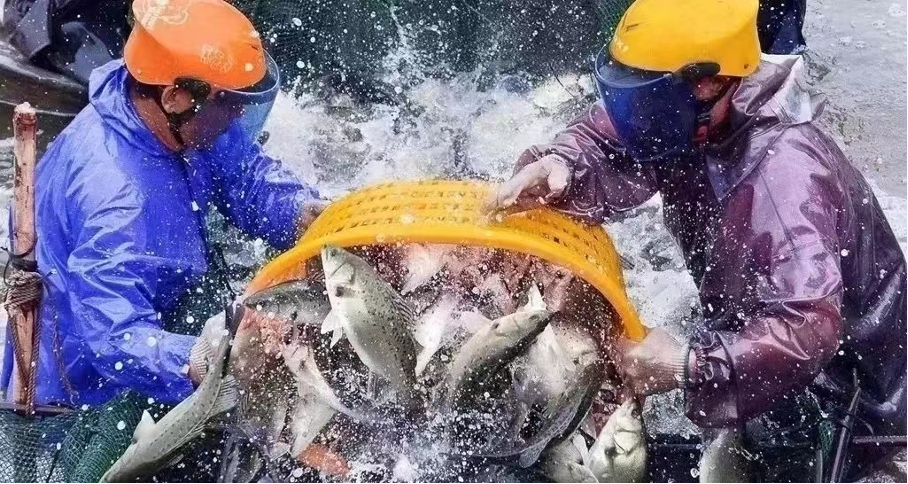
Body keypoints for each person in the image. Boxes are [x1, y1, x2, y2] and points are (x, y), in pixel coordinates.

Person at [486, 0, 906, 476]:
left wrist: (688, 366)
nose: (631, 112)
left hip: (866, 405)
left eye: (641, 99)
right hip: (755, 333)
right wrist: (562, 164)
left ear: (710, 82)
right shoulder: (687, 116)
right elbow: (606, 136)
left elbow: (809, 326)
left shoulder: (783, 173)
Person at [1, 0, 323, 408]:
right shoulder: (116, 202)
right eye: (231, 102)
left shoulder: (174, 112)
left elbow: (245, 176)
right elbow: (115, 337)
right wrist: (200, 357)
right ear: (174, 97)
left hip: (162, 297)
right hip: (82, 391)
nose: (239, 112)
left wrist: (307, 216)